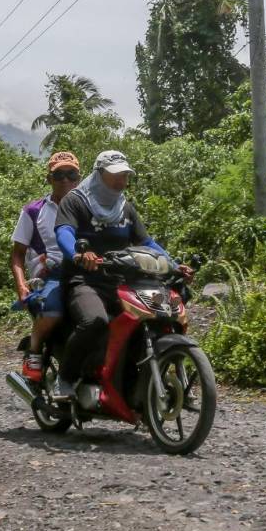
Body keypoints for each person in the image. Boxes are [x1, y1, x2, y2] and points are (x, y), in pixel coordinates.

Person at [53, 150, 193, 397]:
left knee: (147, 321)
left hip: (121, 282)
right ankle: (65, 378)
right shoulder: (75, 201)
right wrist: (78, 253)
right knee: (95, 322)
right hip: (83, 280)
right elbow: (64, 232)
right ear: (99, 175)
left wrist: (173, 263)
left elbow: (146, 243)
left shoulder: (125, 208)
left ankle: (129, 383)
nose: (121, 181)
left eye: (125, 176)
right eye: (115, 176)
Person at [10, 151, 81, 382]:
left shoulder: (89, 208)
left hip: (86, 270)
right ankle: (34, 351)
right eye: (59, 175)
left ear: (79, 178)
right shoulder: (34, 211)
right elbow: (17, 254)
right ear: (49, 179)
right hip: (52, 272)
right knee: (53, 310)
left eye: (71, 174)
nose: (65, 180)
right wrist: (21, 286)